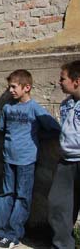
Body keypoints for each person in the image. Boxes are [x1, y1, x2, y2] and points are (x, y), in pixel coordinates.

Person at [0, 70, 60, 249]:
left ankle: (13, 234)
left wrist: (37, 135)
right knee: (5, 195)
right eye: (9, 86)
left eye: (14, 86)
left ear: (26, 87)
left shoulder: (34, 108)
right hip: (8, 159)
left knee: (22, 197)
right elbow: (2, 128)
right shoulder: (7, 108)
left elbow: (54, 128)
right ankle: (0, 232)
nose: (11, 90)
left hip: (26, 161)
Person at [49, 60, 80, 249]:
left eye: (63, 79)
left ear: (76, 81)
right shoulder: (66, 104)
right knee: (58, 205)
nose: (59, 82)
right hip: (66, 162)